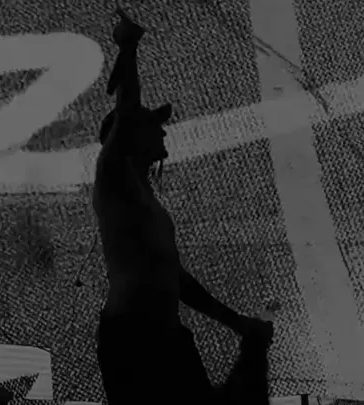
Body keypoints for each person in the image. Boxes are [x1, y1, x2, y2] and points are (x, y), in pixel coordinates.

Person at [92, 9, 276, 405]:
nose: (162, 130)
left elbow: (174, 278)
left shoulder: (146, 200)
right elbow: (127, 111)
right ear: (126, 137)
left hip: (166, 336)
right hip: (134, 340)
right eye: (152, 124)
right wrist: (128, 46)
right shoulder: (113, 178)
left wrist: (236, 323)